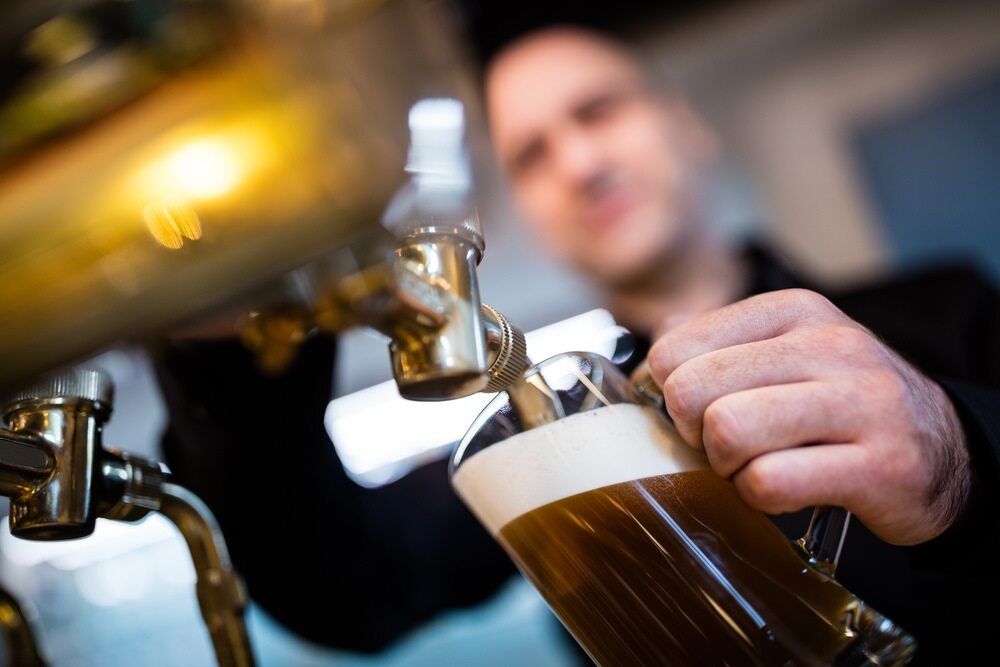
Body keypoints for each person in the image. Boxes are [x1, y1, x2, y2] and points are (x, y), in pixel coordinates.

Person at [155, 20, 1000, 664]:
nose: (579, 163)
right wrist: (222, 349)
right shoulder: (552, 439)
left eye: (598, 111)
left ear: (683, 124)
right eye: (531, 154)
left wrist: (960, 463)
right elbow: (353, 585)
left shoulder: (944, 311)